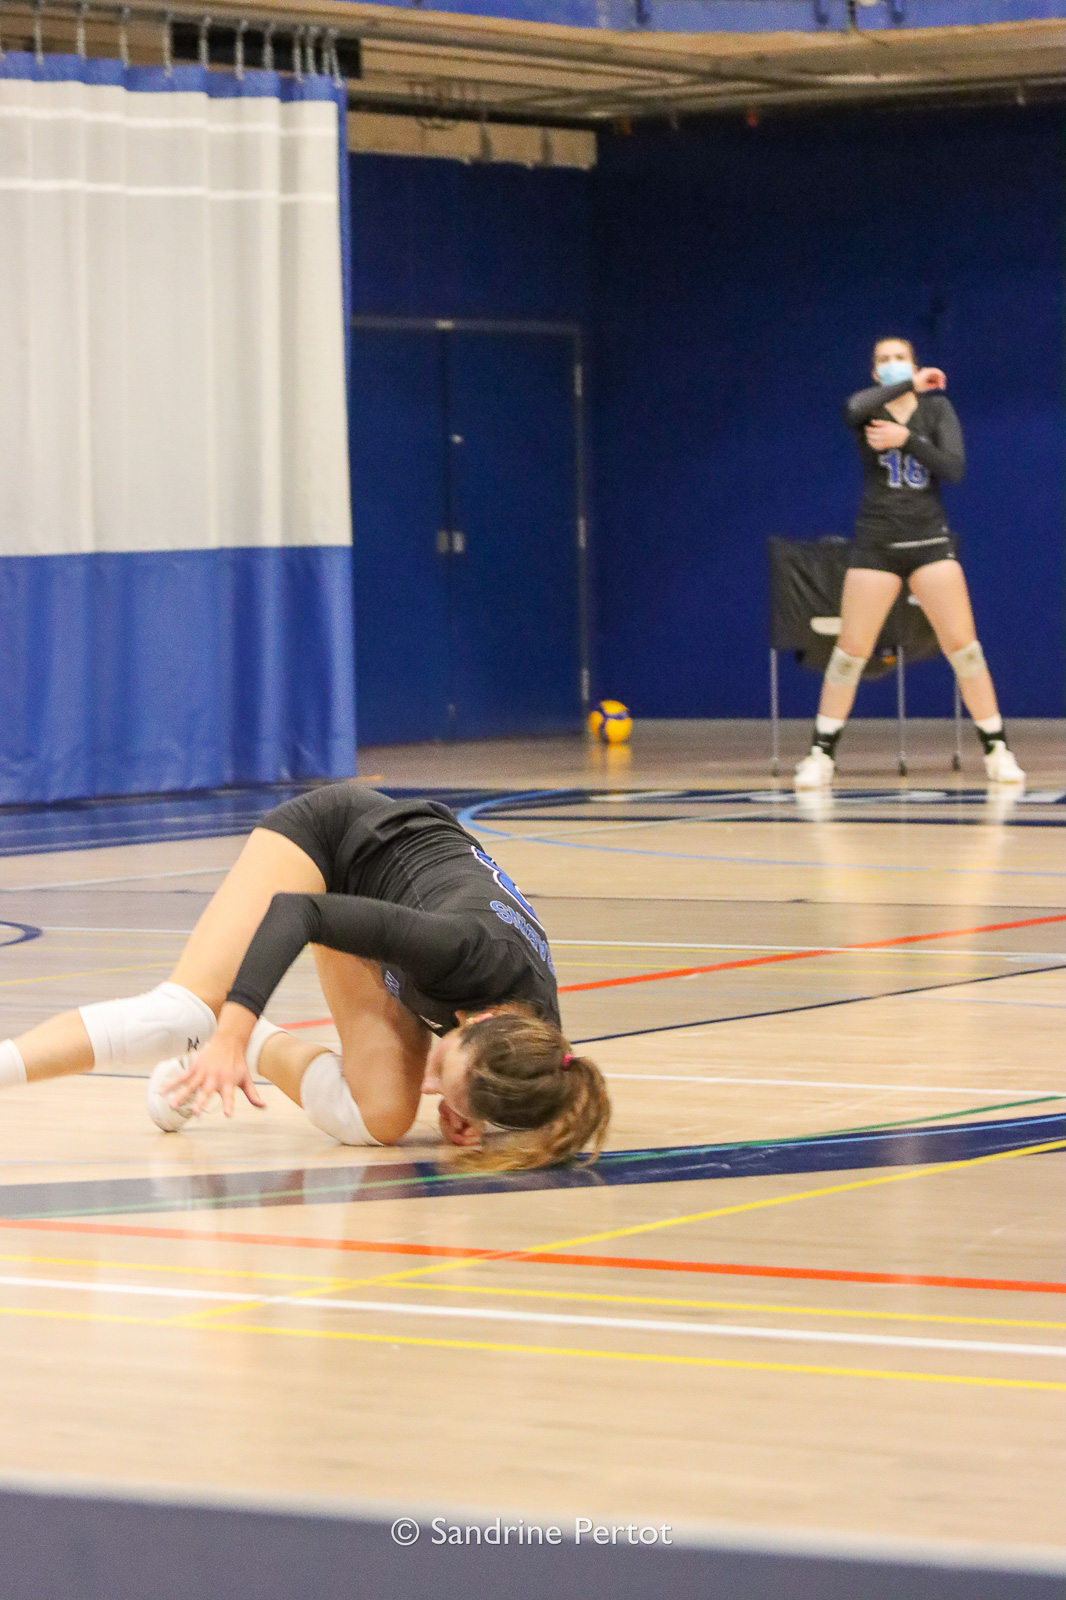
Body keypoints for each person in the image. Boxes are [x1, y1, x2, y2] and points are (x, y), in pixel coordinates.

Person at [0, 785, 610, 1171]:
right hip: (332, 844)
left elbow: (523, 1085)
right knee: (181, 1012)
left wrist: (466, 1104)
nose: (430, 1081)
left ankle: (237, 1042)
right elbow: (300, 911)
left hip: (385, 923)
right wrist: (228, 1033)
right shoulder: (460, 951)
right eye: (440, 1070)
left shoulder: (535, 1047)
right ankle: (201, 1033)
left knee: (380, 1122)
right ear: (476, 1020)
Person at [794, 337, 1024, 789]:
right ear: (876, 372)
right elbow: (852, 407)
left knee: (966, 650)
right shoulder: (868, 409)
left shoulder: (937, 412)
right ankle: (821, 755)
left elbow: (953, 468)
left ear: (914, 363)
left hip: (928, 541)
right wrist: (906, 387)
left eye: (901, 357)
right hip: (876, 544)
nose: (893, 364)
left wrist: (908, 439)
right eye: (885, 360)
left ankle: (997, 749)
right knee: (850, 653)